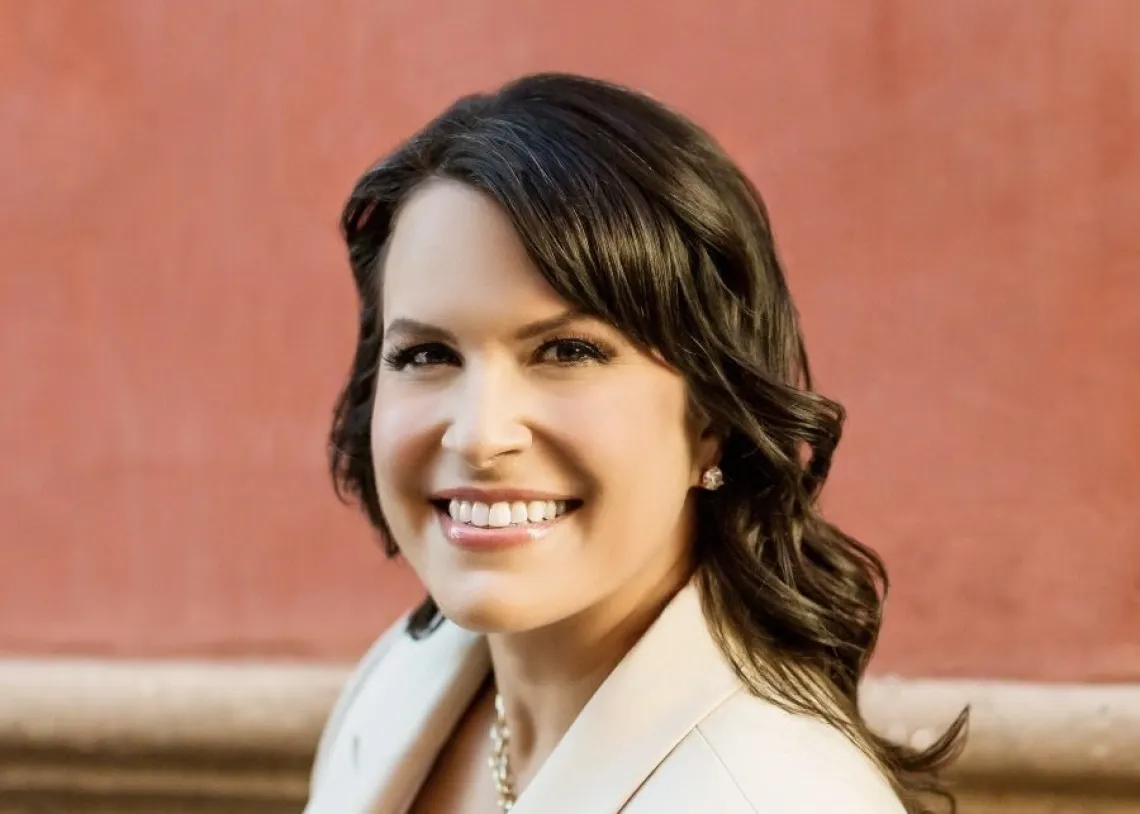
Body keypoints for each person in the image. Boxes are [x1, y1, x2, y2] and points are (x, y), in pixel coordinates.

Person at [305, 73, 966, 814]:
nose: (481, 436)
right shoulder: (399, 683)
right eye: (426, 355)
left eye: (566, 352)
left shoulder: (772, 796)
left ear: (711, 417)